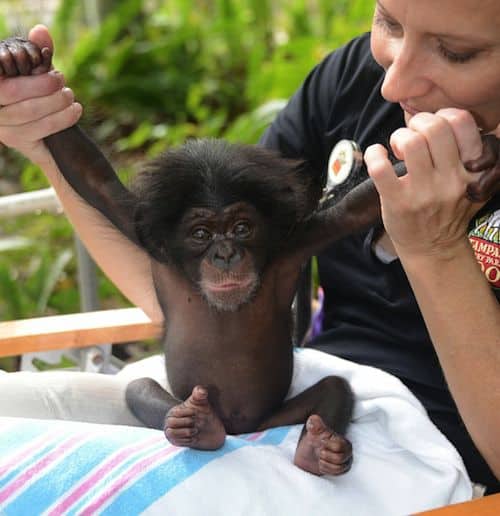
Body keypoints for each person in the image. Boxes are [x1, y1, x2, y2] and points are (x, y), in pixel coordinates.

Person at [0, 0, 498, 494]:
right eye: (388, 21)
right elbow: (143, 228)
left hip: (433, 458)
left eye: (456, 51)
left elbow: (347, 210)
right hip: (289, 399)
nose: (394, 84)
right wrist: (46, 134)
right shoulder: (352, 82)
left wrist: (436, 247)